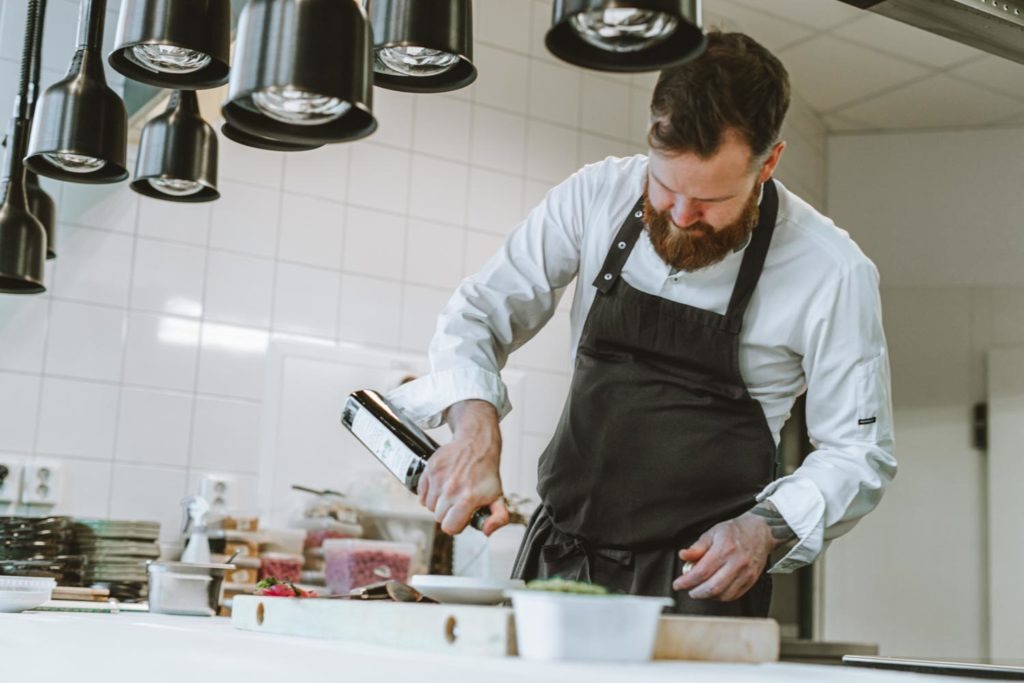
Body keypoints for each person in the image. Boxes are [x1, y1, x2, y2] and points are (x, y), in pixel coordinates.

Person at [386, 31, 897, 617]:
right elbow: (478, 315)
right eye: (665, 187)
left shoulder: (830, 271)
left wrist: (766, 527)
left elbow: (859, 451)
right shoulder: (597, 194)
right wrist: (474, 428)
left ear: (770, 162)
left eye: (711, 201)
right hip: (559, 563)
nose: (681, 217)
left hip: (699, 584)